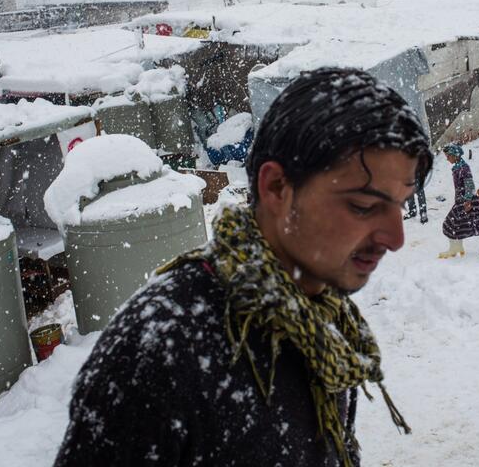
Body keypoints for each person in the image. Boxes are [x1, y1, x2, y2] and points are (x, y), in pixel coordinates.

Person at [54, 68, 433, 467]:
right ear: (276, 188)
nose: (395, 237)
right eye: (362, 205)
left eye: (400, 205)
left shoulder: (320, 317)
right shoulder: (156, 352)